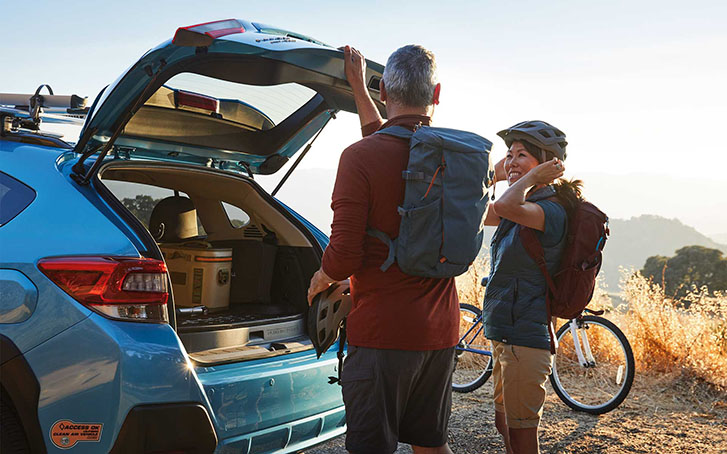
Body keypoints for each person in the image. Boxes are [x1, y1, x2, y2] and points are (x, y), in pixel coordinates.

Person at [307, 45, 457, 454]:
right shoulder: (452, 159)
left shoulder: (360, 158)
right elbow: (389, 139)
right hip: (441, 332)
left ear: (387, 93)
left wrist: (323, 276)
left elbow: (342, 258)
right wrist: (359, 88)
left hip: (383, 337)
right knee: (431, 444)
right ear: (437, 93)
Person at [483, 120, 581, 454]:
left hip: (526, 339)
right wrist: (494, 175)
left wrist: (528, 179)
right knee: (504, 424)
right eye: (508, 155)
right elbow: (474, 211)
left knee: (523, 436)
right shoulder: (521, 206)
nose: (511, 161)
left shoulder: (549, 211)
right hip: (505, 334)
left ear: (547, 164)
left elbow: (508, 206)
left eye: (521, 155)